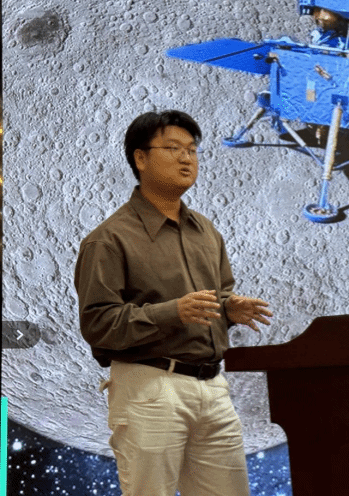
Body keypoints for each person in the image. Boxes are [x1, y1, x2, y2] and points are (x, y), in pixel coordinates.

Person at [74, 109, 272, 496]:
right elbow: (97, 324)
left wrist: (229, 309)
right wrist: (173, 312)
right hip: (149, 387)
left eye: (192, 150)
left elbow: (218, 295)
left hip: (213, 388)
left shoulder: (206, 232)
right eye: (173, 148)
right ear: (140, 158)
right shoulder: (108, 239)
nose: (186, 158)